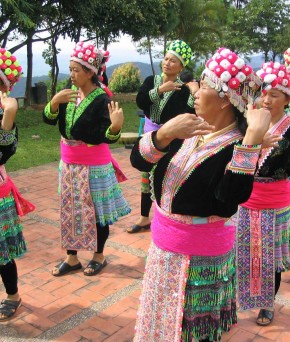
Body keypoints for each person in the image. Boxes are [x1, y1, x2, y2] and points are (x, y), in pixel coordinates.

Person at [130, 47, 271, 342]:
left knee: (192, 332)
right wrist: (163, 133)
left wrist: (252, 142)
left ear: (224, 100)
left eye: (205, 85)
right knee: (161, 323)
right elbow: (138, 161)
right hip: (163, 252)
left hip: (200, 261)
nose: (195, 89)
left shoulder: (237, 146)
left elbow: (231, 197)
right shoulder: (188, 127)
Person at [43, 41, 131, 277]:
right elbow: (50, 120)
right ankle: (72, 258)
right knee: (69, 208)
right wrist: (53, 103)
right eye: (70, 69)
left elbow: (105, 135)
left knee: (97, 211)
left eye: (76, 70)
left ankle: (98, 255)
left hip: (94, 165)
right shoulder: (67, 94)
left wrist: (115, 127)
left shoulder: (103, 99)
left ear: (91, 72)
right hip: (69, 163)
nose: (71, 74)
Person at [235, 58, 290, 326]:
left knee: (270, 258)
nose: (267, 99)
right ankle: (240, 297)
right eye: (264, 92)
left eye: (275, 94)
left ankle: (267, 304)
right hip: (245, 198)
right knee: (245, 252)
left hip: (275, 201)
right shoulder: (249, 121)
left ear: (287, 99)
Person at [127, 39, 197, 234]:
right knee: (145, 174)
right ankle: (143, 218)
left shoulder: (182, 89)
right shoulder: (151, 81)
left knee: (163, 174)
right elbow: (141, 101)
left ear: (182, 66)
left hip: (170, 139)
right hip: (149, 134)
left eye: (173, 61)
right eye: (166, 59)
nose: (167, 63)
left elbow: (189, 112)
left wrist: (193, 93)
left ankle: (162, 216)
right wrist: (159, 91)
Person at [0, 48, 35, 321]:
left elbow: (5, 152)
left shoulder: (6, 115)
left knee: (1, 251)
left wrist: (7, 121)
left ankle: (13, 295)